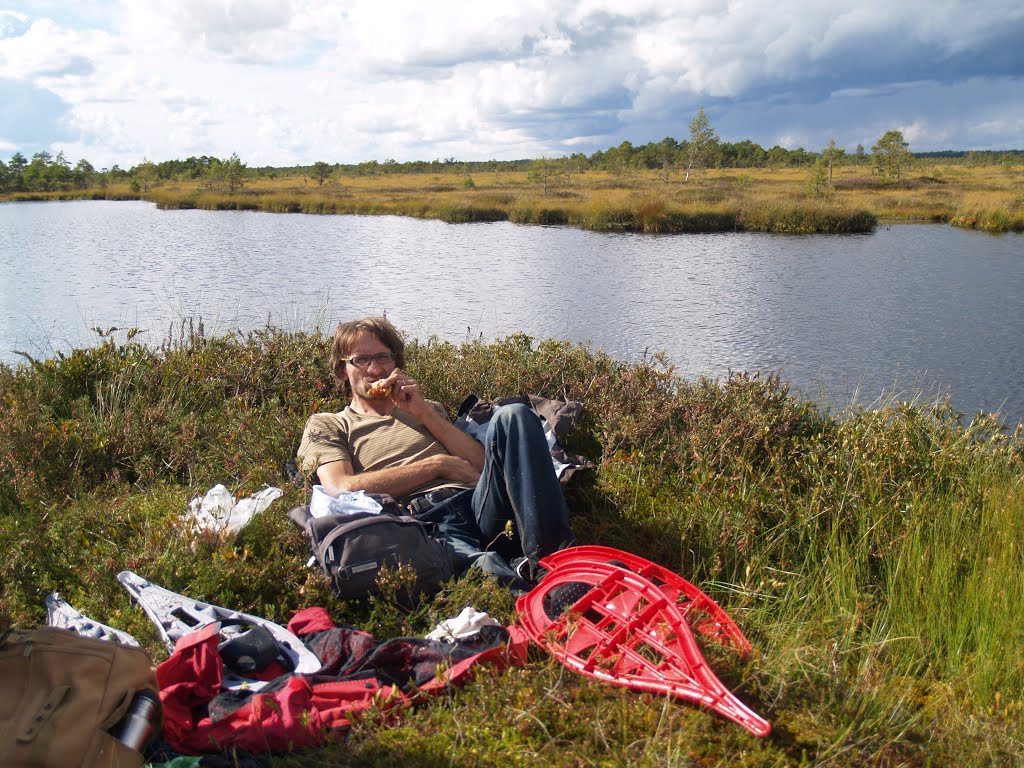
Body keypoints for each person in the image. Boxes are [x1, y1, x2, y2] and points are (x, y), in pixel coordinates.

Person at [296, 317, 575, 592]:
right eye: (361, 359)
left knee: (515, 414)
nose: (375, 369)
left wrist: (423, 413)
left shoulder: (426, 408)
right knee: (489, 571)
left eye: (383, 357)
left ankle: (554, 561)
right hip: (424, 523)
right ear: (343, 369)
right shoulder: (328, 424)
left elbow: (482, 465)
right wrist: (437, 466)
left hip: (480, 504)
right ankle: (532, 596)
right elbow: (339, 487)